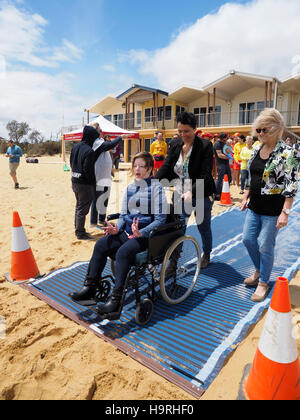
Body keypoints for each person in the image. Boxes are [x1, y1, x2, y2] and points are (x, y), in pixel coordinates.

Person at [70, 152, 167, 317]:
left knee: (123, 252)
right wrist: (117, 229)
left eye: (142, 166)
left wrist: (140, 233)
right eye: (135, 165)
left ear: (150, 169)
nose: (137, 169)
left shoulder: (157, 188)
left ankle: (115, 302)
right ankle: (90, 289)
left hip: (145, 237)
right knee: (101, 244)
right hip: (127, 231)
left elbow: (160, 219)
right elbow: (123, 216)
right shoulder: (130, 188)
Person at [240, 109, 298, 302]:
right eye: (258, 130)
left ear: (276, 129)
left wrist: (285, 213)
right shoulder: (256, 148)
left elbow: (291, 186)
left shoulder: (288, 153)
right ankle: (259, 270)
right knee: (247, 240)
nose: (260, 134)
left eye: (264, 130)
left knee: (266, 246)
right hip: (254, 206)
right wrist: (245, 195)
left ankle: (263, 282)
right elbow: (251, 176)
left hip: (273, 210)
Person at [155, 112, 216, 269]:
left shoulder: (205, 146)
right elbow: (167, 166)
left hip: (202, 192)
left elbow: (205, 173)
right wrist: (153, 182)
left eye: (186, 131)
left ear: (195, 129)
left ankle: (207, 253)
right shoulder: (175, 144)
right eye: (180, 131)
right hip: (180, 192)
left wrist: (192, 191)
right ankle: (173, 262)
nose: (183, 135)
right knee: (178, 227)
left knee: (203, 226)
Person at [70, 125, 125, 240]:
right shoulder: (89, 150)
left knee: (78, 207)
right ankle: (80, 233)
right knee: (83, 209)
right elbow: (87, 169)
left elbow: (71, 163)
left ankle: (78, 229)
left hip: (74, 180)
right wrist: (92, 181)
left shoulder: (76, 147)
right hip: (84, 184)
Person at [90, 131, 116, 228]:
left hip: (106, 178)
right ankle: (93, 222)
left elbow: (111, 153)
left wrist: (111, 171)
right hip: (99, 178)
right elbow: (111, 146)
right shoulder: (97, 145)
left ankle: (101, 219)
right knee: (97, 201)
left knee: (105, 200)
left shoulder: (105, 148)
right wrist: (121, 137)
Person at [214, 132, 232, 200]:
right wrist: (229, 158)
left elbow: (227, 151)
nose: (225, 141)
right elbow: (219, 155)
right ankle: (217, 194)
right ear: (220, 138)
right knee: (220, 179)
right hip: (220, 163)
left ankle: (224, 191)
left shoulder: (224, 143)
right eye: (224, 140)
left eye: (226, 139)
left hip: (226, 163)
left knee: (229, 178)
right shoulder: (217, 144)